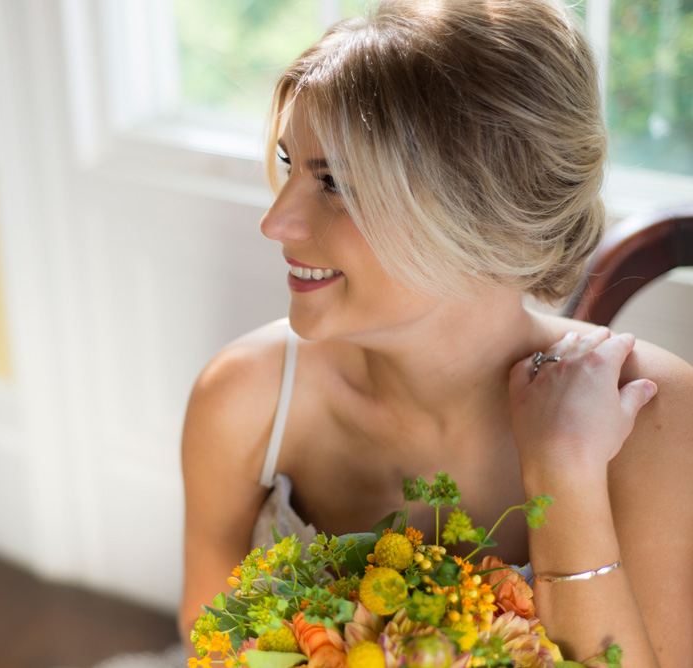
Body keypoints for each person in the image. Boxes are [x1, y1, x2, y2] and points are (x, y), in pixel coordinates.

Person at [178, 0, 693, 665]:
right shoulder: (241, 397)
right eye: (289, 162)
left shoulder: (659, 414)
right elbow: (208, 641)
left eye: (334, 182)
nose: (277, 222)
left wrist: (562, 472)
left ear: (478, 213)